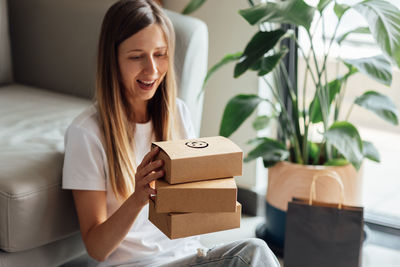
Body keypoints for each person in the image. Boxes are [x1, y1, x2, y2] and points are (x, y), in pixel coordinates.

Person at [62, 0, 280, 266]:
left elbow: (193, 214)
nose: (152, 70)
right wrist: (138, 197)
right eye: (136, 56)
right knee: (250, 255)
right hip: (136, 263)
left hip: (189, 254)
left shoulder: (177, 112)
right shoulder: (87, 133)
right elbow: (96, 248)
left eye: (160, 54)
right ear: (112, 60)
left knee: (253, 252)